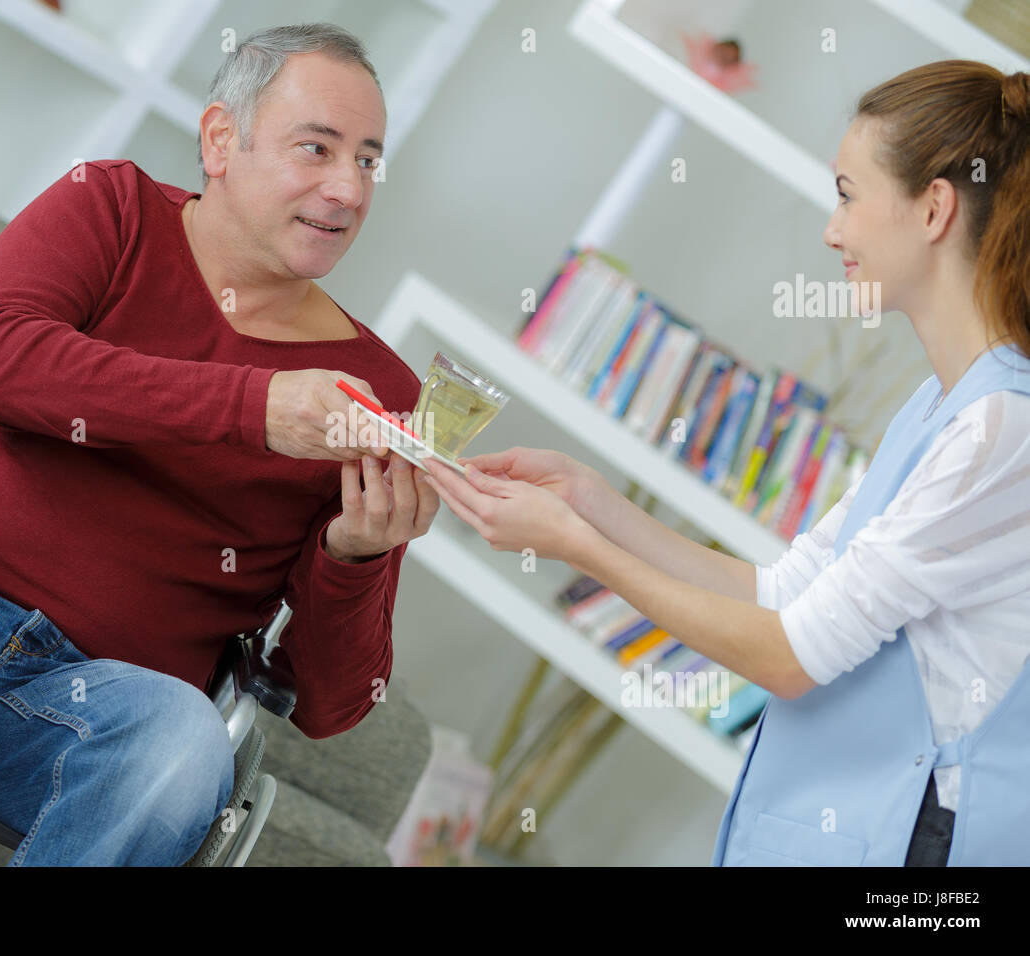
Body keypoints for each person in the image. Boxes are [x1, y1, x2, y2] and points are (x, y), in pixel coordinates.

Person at [0, 23, 439, 867]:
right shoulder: (109, 206)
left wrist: (354, 557)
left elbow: (331, 705)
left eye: (366, 161)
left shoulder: (377, 392)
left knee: (186, 744)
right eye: (316, 149)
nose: (348, 191)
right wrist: (252, 407)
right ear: (221, 138)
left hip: (76, 724)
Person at [423, 60, 1030, 866]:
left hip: (916, 845)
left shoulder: (999, 430)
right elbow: (787, 590)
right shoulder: (938, 406)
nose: (832, 228)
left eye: (848, 194)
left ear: (934, 209)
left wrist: (577, 545)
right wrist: (593, 501)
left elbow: (788, 655)